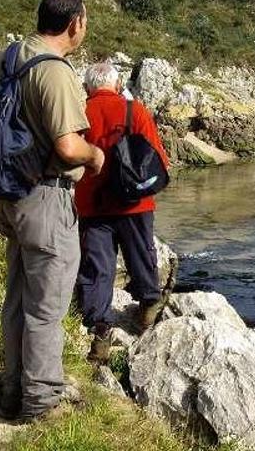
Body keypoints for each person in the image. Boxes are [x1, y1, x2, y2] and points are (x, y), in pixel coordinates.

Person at [0, 0, 105, 422]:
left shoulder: (11, 56)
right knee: (46, 308)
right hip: (47, 200)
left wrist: (7, 154)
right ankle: (39, 406)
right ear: (75, 23)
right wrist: (96, 157)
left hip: (10, 197)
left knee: (18, 298)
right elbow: (69, 147)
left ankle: (12, 390)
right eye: (85, 19)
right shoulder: (55, 71)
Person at [74, 63, 170, 363]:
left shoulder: (79, 112)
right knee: (141, 254)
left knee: (96, 268)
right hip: (134, 203)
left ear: (88, 87)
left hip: (93, 203)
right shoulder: (135, 111)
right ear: (117, 86)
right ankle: (149, 309)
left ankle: (100, 331)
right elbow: (158, 156)